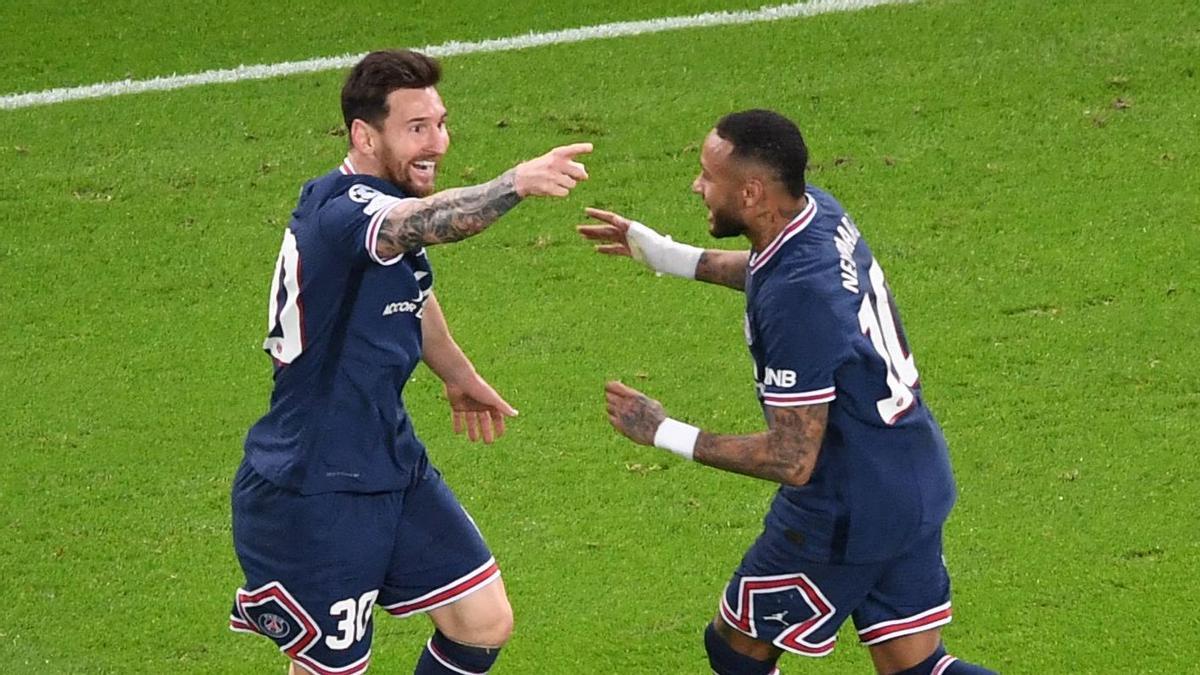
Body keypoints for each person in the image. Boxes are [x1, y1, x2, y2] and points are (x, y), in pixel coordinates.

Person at [579, 109, 994, 675]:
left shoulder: (801, 302)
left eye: (708, 176)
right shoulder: (817, 212)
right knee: (915, 668)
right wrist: (667, 256)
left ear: (751, 193)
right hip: (913, 477)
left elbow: (792, 458)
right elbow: (769, 268)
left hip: (847, 509)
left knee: (736, 651)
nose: (697, 186)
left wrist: (662, 431)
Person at [229, 49, 591, 675]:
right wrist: (514, 184)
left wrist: (458, 375)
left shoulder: (378, 202)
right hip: (314, 483)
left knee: (481, 622)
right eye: (416, 128)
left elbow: (415, 295)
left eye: (441, 123)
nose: (437, 143)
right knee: (332, 669)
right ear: (364, 136)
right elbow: (421, 224)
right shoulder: (346, 212)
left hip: (388, 458)